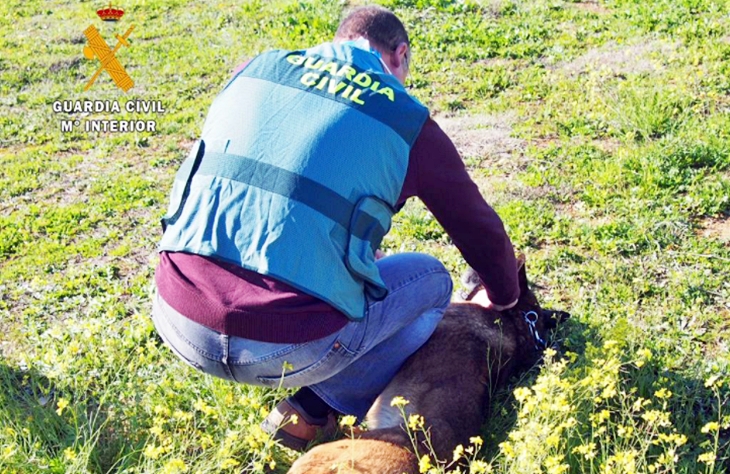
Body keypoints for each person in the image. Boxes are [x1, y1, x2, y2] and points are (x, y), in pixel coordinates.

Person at [152, 5, 519, 451]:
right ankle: (310, 410)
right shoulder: (403, 118)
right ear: (399, 55)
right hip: (282, 345)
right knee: (432, 280)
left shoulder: (255, 70)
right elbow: (477, 227)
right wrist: (503, 295)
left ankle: (301, 407)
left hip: (177, 319)